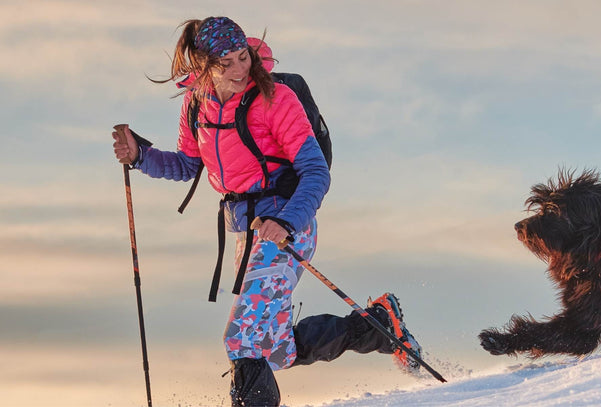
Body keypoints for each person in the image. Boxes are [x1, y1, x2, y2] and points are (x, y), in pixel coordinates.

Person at [110, 16, 423, 406]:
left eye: (244, 57)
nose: (241, 70)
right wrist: (140, 156)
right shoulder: (196, 105)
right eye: (227, 63)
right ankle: (377, 327)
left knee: (241, 338)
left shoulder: (275, 98)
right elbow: (187, 166)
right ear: (205, 66)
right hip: (247, 233)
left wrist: (286, 221)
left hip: (288, 223)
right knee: (276, 350)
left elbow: (315, 172)